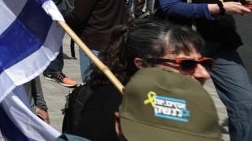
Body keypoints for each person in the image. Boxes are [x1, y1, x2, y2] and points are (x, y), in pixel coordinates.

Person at [157, 0, 252, 141]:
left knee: (245, 102)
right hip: (184, 45)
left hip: (221, 43)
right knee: (177, 106)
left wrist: (240, 1)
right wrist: (219, 8)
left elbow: (224, 0)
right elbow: (169, 6)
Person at [66, 20, 211, 141]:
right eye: (186, 64)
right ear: (143, 65)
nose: (203, 74)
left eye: (204, 63)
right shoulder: (110, 106)